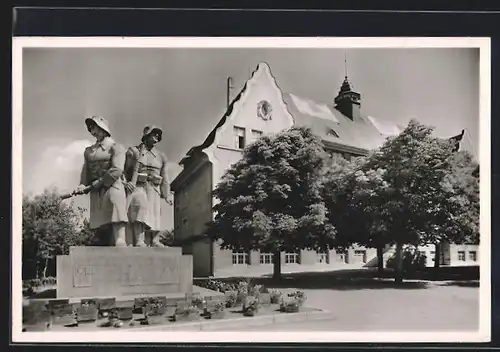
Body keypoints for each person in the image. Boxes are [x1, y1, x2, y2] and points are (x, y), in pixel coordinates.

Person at [74, 116, 128, 246]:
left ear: (103, 128)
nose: (92, 131)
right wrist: (82, 185)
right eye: (90, 128)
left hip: (112, 185)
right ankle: (105, 240)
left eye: (95, 127)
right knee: (101, 218)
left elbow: (117, 169)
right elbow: (86, 170)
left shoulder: (116, 148)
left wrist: (99, 182)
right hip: (96, 190)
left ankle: (121, 238)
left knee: (115, 205)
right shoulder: (89, 151)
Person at [124, 125, 172, 247]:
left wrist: (167, 195)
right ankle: (139, 240)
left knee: (155, 213)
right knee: (140, 209)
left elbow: (165, 177)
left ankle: (155, 240)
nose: (156, 136)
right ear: (146, 135)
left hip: (154, 188)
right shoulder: (134, 151)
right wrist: (126, 183)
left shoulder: (161, 156)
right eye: (154, 133)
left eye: (158, 134)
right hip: (138, 186)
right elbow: (124, 171)